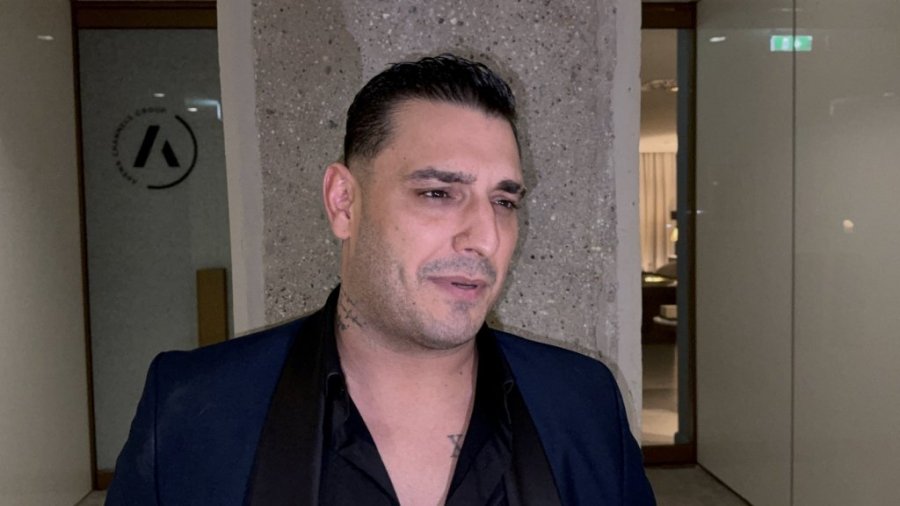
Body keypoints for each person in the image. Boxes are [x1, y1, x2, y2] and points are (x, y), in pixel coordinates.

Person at [107, 54, 655, 506]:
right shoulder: (193, 407)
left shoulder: (582, 404)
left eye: (504, 201)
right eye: (438, 193)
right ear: (344, 202)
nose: (486, 238)